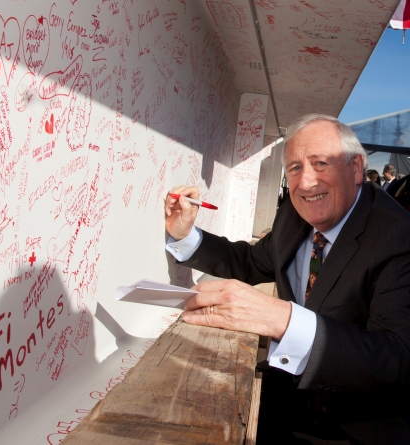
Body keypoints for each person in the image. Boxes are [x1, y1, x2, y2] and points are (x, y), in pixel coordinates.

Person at [164, 114, 410, 444]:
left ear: (355, 169)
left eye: (320, 163)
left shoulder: (399, 236)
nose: (305, 182)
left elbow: (395, 360)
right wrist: (185, 235)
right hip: (282, 404)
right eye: (294, 168)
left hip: (352, 429)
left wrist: (282, 319)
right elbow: (250, 262)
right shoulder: (293, 215)